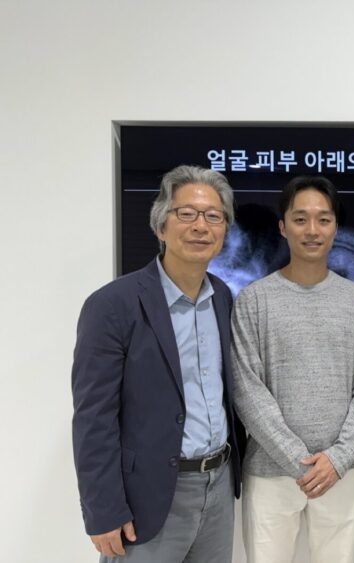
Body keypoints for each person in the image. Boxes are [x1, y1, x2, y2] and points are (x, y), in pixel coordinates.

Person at [72, 165, 245, 562]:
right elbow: (93, 417)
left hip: (218, 487)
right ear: (161, 226)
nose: (200, 226)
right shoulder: (112, 305)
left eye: (213, 216)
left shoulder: (222, 297)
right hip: (148, 495)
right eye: (186, 213)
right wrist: (103, 510)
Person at [231, 176, 354, 563]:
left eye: (323, 219)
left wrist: (337, 458)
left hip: (339, 471)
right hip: (269, 470)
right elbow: (247, 388)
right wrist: (298, 460)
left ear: (335, 227)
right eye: (300, 219)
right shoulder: (253, 300)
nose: (312, 230)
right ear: (283, 227)